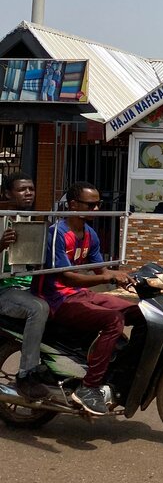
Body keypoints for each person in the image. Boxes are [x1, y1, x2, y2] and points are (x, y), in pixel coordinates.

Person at [36, 181, 137, 417]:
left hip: (78, 295)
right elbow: (68, 278)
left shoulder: (89, 233)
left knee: (138, 312)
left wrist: (130, 276)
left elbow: (100, 270)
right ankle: (89, 387)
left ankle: (124, 373)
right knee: (113, 321)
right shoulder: (57, 234)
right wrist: (112, 278)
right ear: (73, 204)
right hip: (56, 299)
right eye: (91, 205)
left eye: (98, 204)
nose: (96, 209)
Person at [0, 172, 52, 401]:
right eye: (22, 189)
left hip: (29, 286)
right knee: (37, 308)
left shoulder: (33, 219)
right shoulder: (2, 220)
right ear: (7, 194)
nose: (28, 193)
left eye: (31, 188)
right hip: (5, 290)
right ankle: (26, 374)